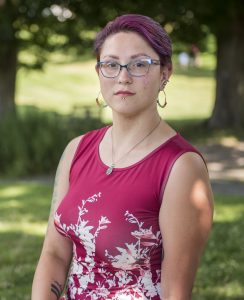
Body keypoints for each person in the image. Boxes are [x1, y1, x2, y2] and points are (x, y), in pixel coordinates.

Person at [32, 14, 214, 300]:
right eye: (111, 64)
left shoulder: (181, 167)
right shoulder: (76, 150)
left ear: (165, 72)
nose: (123, 77)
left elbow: (176, 293)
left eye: (139, 64)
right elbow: (54, 253)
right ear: (99, 72)